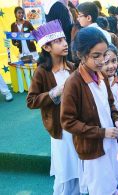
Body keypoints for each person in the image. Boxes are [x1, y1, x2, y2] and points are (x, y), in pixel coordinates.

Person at [60, 27, 118, 195]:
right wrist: (101, 132)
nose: (102, 61)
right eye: (96, 56)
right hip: (93, 149)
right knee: (101, 189)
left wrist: (116, 118)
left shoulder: (100, 75)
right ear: (81, 55)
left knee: (113, 182)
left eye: (104, 54)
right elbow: (68, 122)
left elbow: (110, 104)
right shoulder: (73, 83)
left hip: (109, 142)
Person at [27, 20, 79, 195]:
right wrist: (53, 92)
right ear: (47, 47)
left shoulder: (72, 67)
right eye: (58, 41)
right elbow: (31, 101)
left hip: (77, 125)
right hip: (59, 129)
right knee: (65, 171)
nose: (65, 44)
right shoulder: (42, 71)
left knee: (78, 167)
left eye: (64, 40)